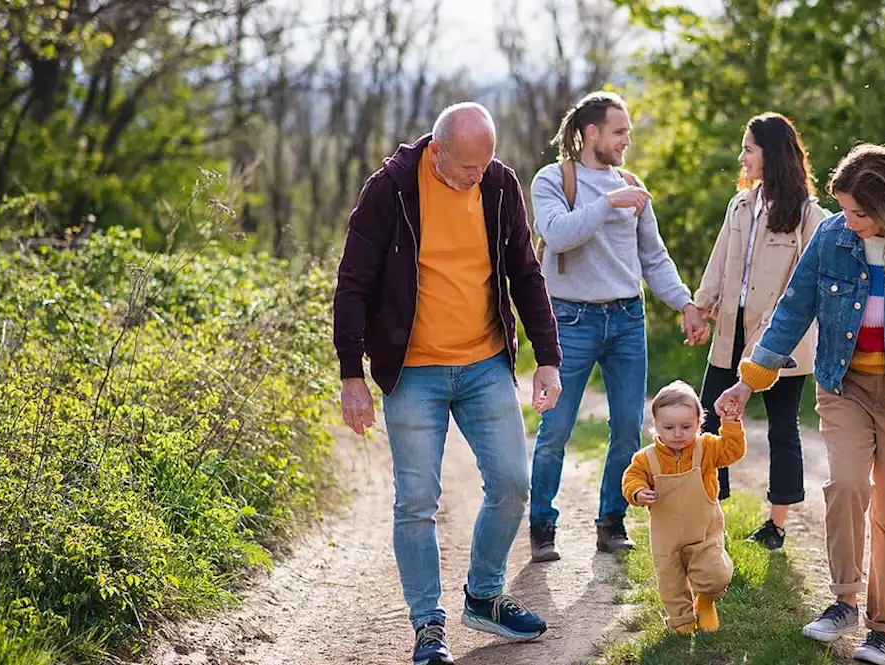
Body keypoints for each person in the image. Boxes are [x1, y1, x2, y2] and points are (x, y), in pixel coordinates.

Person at [715, 143, 885, 665]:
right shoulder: (832, 238)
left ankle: (882, 629)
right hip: (846, 386)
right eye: (845, 208)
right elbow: (793, 309)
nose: (849, 220)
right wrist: (749, 381)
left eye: (859, 211)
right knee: (848, 485)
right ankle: (842, 601)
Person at [332, 102, 563, 665]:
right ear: (436, 152)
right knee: (416, 502)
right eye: (465, 168)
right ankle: (427, 624)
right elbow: (353, 282)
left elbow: (525, 275)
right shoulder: (389, 189)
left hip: (484, 362)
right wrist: (351, 374)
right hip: (412, 369)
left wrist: (548, 357)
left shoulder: (499, 185)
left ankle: (484, 597)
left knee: (512, 483)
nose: (475, 177)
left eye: (484, 164)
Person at [527, 91, 709, 562]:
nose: (627, 140)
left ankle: (612, 521)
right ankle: (542, 525)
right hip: (570, 319)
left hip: (627, 318)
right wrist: (609, 203)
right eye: (619, 131)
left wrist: (685, 303)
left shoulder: (632, 184)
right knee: (556, 428)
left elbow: (654, 257)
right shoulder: (553, 180)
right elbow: (559, 234)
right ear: (591, 134)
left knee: (628, 427)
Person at [692, 112, 828, 550]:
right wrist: (701, 305)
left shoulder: (811, 216)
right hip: (730, 331)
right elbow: (719, 261)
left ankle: (777, 524)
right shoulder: (741, 205)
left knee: (781, 428)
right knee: (711, 417)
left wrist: (769, 336)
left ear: (772, 153)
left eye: (749, 148)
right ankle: (712, 510)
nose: (742, 156)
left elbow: (802, 285)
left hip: (782, 341)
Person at [621, 380, 745, 634]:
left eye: (686, 427)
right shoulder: (646, 458)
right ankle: (681, 622)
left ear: (699, 424)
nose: (678, 433)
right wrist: (637, 492)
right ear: (655, 426)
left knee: (715, 575)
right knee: (670, 581)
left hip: (703, 532)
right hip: (666, 537)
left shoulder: (707, 448)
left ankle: (707, 600)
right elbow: (631, 479)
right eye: (669, 427)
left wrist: (731, 424)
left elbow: (733, 451)